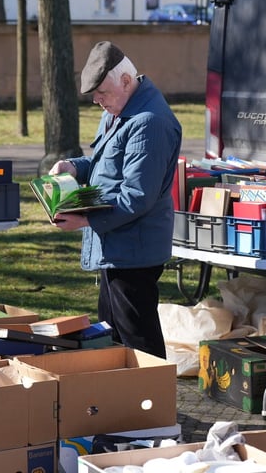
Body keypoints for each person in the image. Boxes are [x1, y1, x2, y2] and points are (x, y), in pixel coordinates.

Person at [49, 41, 182, 358]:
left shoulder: (148, 122)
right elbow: (104, 166)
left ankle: (153, 403)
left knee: (139, 343)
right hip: (117, 246)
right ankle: (127, 401)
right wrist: (74, 167)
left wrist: (86, 219)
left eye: (102, 93)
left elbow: (137, 195)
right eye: (94, 95)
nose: (97, 101)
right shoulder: (120, 108)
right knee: (113, 338)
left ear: (125, 81)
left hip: (134, 251)